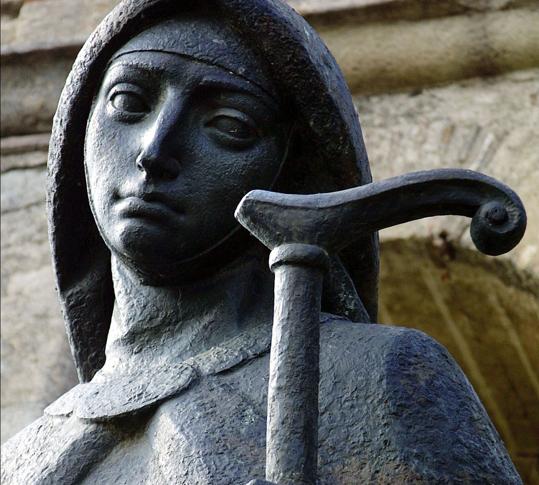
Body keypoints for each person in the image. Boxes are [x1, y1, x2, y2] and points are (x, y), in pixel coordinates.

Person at [1, 1, 521, 483]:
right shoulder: (24, 459)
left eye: (228, 125)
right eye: (128, 101)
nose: (154, 150)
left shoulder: (370, 377)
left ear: (293, 172)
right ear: (79, 129)